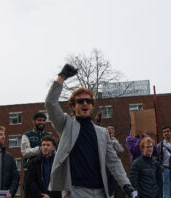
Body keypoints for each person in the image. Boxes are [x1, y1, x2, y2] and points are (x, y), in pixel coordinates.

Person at [45, 64, 136, 198]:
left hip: (101, 192)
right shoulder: (66, 126)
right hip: (76, 191)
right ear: (73, 107)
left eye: (88, 101)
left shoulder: (102, 133)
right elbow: (50, 103)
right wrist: (62, 77)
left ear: (92, 106)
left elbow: (113, 161)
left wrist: (126, 184)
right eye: (80, 101)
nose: (85, 103)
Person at [21, 112, 52, 198]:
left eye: (43, 120)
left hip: (46, 170)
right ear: (33, 121)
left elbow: (53, 152)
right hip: (30, 170)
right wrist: (40, 149)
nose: (42, 122)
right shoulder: (26, 135)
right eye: (39, 120)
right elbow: (24, 152)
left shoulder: (48, 135)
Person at [157, 126, 171, 198]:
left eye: (168, 131)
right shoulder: (159, 145)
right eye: (164, 132)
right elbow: (156, 159)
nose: (166, 133)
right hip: (165, 170)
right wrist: (161, 167)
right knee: (166, 190)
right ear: (163, 134)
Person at [106, 125, 125, 198]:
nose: (110, 131)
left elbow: (121, 150)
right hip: (107, 168)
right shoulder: (103, 140)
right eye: (109, 129)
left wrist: (112, 141)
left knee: (118, 188)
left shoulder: (115, 141)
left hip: (116, 168)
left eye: (112, 129)